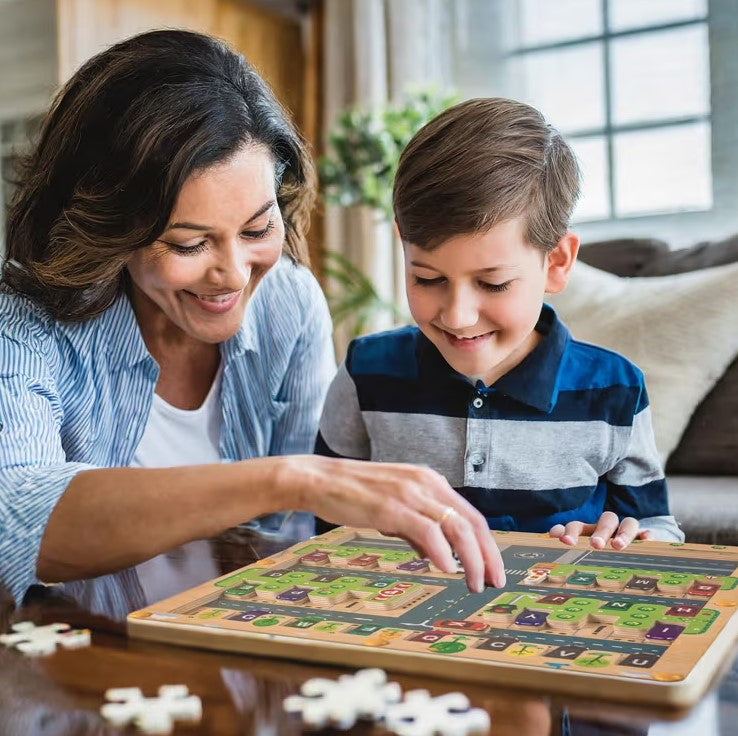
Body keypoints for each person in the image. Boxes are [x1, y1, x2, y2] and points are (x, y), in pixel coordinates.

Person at [0, 30, 506, 608]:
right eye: (190, 244)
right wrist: (290, 477)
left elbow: (292, 542)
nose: (236, 275)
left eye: (257, 230)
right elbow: (15, 516)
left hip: (243, 662)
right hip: (86, 671)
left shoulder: (288, 304)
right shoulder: (23, 324)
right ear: (110, 230)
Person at [316, 98, 683, 549]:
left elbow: (660, 532)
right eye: (427, 278)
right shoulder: (365, 372)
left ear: (557, 263)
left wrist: (633, 538)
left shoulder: (616, 391)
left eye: (493, 284)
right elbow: (323, 514)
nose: (457, 315)